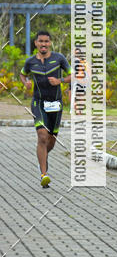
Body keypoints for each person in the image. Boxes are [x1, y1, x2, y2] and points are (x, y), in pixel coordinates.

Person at [20, 30, 71, 187]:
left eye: (46, 41)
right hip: (38, 103)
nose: (43, 44)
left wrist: (60, 80)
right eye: (40, 41)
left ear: (50, 43)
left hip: (56, 104)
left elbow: (72, 75)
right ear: (36, 43)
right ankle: (44, 174)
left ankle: (42, 159)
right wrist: (26, 82)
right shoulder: (30, 62)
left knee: (51, 142)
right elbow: (22, 74)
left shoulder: (59, 58)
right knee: (42, 136)